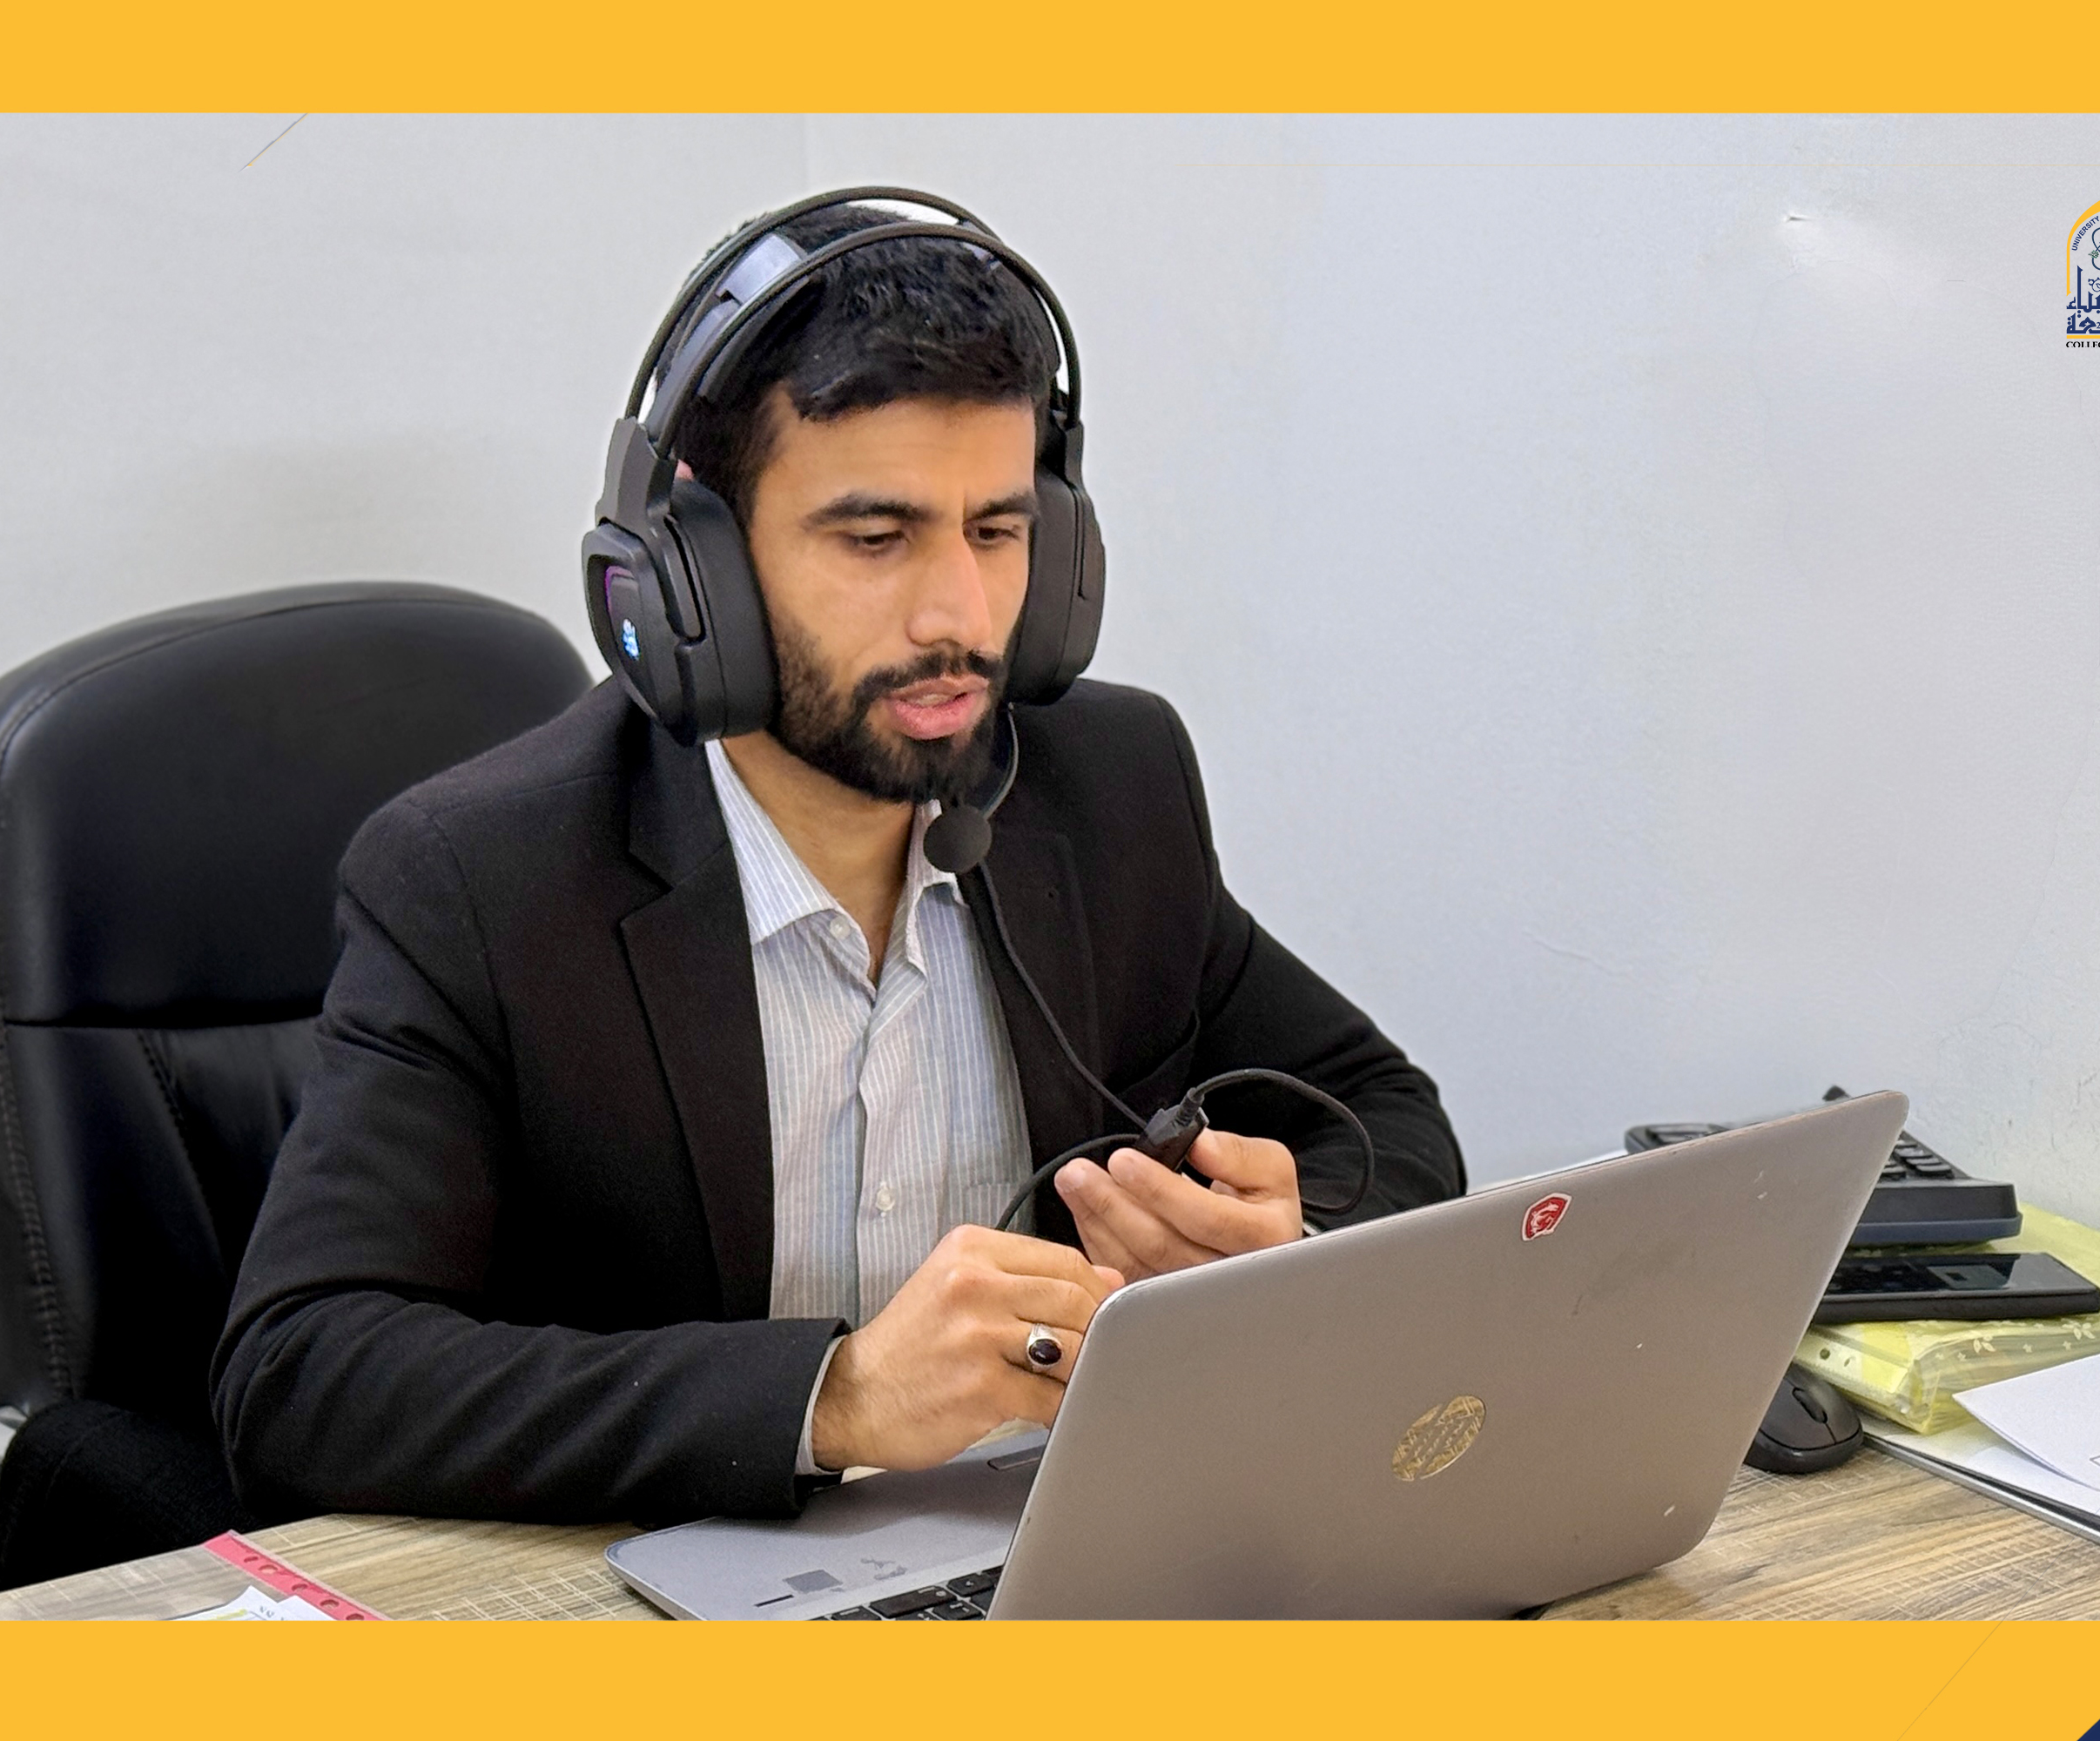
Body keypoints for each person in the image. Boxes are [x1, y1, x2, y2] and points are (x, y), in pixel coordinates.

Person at [212, 192, 1464, 1526]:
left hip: (1039, 1554)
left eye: (997, 531)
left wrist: (1281, 1250)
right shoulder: (479, 879)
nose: (959, 617)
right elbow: (303, 1374)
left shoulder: (1111, 788)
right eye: (875, 538)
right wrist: (832, 1397)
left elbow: (1388, 1121)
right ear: (693, 569)